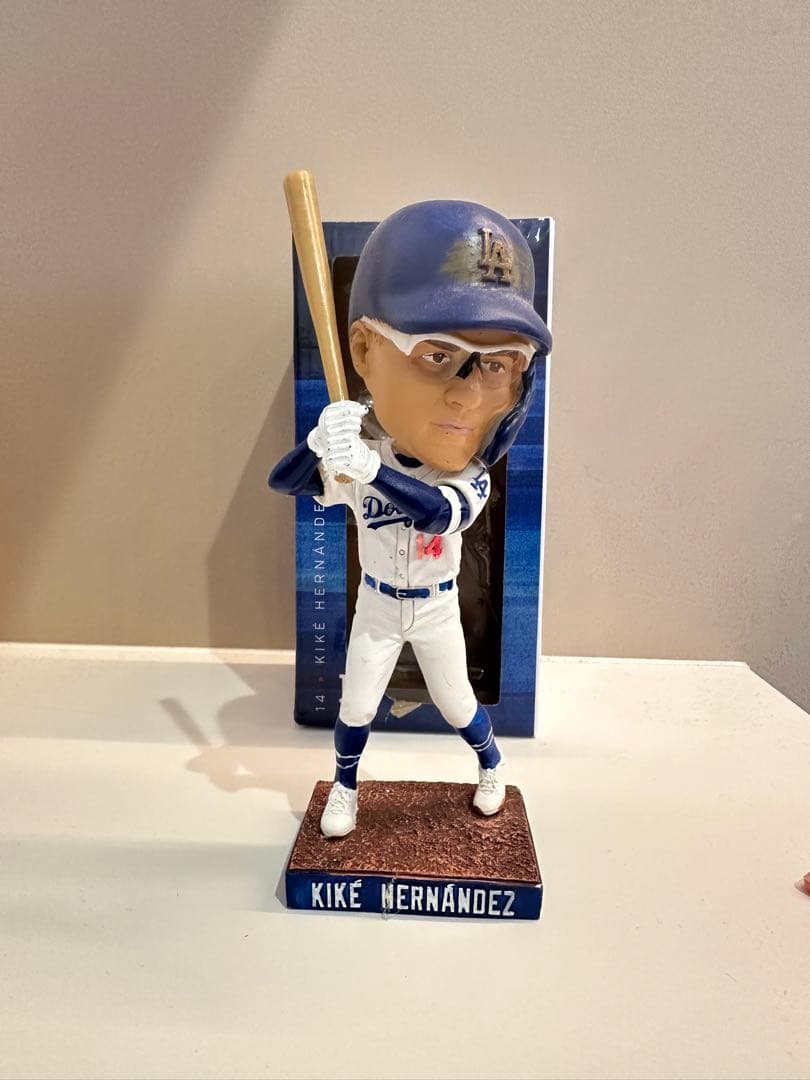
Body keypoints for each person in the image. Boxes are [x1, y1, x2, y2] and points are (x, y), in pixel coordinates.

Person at [269, 199, 552, 837]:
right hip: (375, 606)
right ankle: (345, 789)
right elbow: (285, 483)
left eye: (498, 362)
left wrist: (369, 469)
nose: (468, 392)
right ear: (365, 350)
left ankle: (491, 766)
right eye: (437, 354)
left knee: (456, 703)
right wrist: (318, 442)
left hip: (436, 608)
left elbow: (433, 513)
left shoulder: (468, 476)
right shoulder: (360, 454)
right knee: (356, 704)